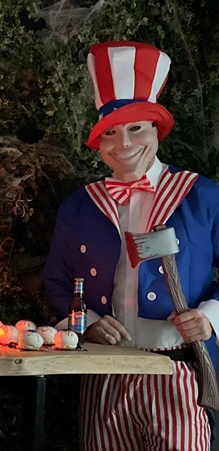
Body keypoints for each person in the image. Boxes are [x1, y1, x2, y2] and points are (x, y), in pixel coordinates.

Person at [43, 41, 219, 450]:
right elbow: (55, 281)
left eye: (136, 127)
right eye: (110, 132)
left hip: (178, 373)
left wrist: (210, 315)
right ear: (99, 143)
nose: (123, 144)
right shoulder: (79, 206)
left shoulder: (202, 196)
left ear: (157, 128)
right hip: (103, 373)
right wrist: (83, 318)